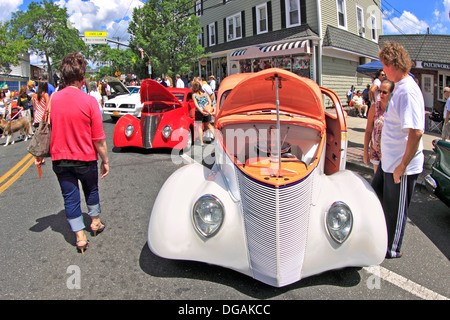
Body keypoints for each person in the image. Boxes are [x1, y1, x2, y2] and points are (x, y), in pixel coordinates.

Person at [34, 52, 109, 254]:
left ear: (63, 77)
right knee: (91, 189)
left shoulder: (53, 100)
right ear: (82, 78)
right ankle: (94, 223)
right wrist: (105, 160)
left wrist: (39, 154)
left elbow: (44, 128)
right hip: (85, 159)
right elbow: (99, 139)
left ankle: (80, 237)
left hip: (60, 159)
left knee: (70, 197)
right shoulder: (89, 101)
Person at [371, 42, 425, 259]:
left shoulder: (409, 91)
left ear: (394, 64)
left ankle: (391, 248)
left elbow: (416, 132)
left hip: (401, 167)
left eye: (385, 65)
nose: (383, 70)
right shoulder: (399, 87)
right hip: (389, 162)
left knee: (395, 211)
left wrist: (402, 166)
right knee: (377, 199)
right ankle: (381, 238)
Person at [363, 79, 395, 173]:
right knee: (378, 183)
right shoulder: (375, 107)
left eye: (384, 92)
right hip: (376, 151)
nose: (381, 94)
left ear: (391, 93)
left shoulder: (394, 109)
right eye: (379, 91)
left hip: (391, 153)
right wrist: (366, 152)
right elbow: (368, 130)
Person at [192, 81, 214, 146]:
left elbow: (196, 105)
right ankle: (217, 138)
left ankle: (201, 142)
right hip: (207, 111)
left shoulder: (194, 95)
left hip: (199, 112)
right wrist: (208, 108)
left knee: (200, 127)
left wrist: (202, 111)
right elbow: (210, 101)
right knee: (209, 125)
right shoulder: (205, 93)